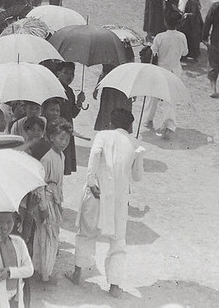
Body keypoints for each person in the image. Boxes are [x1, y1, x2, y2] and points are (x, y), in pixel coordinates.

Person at [67, 108, 145, 298]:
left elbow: (94, 155)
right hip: (119, 199)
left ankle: (77, 273)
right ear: (130, 126)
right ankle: (115, 285)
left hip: (97, 192)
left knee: (86, 232)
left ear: (111, 123)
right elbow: (137, 177)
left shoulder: (102, 135)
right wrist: (139, 154)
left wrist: (92, 182)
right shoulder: (135, 143)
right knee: (117, 241)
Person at [31, 120, 70, 284]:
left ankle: (46, 269)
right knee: (44, 236)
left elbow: (60, 184)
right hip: (46, 200)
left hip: (55, 200)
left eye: (67, 140)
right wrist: (43, 207)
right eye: (61, 138)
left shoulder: (62, 156)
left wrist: (59, 203)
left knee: (53, 235)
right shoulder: (47, 159)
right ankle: (42, 272)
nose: (64, 142)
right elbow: (39, 185)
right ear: (52, 137)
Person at [146, 11, 188, 136]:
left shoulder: (160, 37)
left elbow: (153, 52)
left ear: (165, 22)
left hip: (160, 69)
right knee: (170, 99)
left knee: (153, 95)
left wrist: (150, 43)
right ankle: (168, 126)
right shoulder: (182, 36)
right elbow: (185, 52)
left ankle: (148, 119)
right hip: (174, 70)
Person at [0, 211, 33, 308]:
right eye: (0, 222)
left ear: (14, 222)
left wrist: (10, 272)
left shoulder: (18, 242)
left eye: (9, 222)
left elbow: (29, 269)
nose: (5, 226)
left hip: (15, 299)